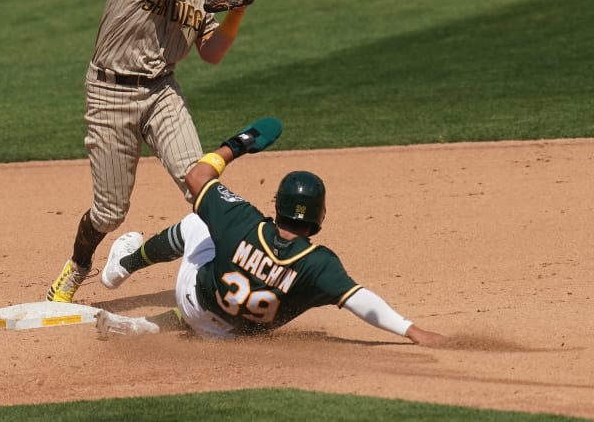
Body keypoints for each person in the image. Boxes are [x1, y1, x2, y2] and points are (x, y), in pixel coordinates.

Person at [46, 0, 300, 302]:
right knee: (110, 213)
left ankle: (229, 282)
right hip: (111, 92)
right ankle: (77, 267)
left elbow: (212, 54)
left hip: (162, 91)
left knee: (202, 187)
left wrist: (237, 10)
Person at [94, 117, 445, 346]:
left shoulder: (241, 220)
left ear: (277, 205)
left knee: (198, 221)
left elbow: (197, 177)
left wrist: (240, 143)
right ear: (319, 216)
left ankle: (126, 264)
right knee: (244, 308)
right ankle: (148, 325)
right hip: (232, 336)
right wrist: (412, 330)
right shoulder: (317, 264)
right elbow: (360, 300)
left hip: (194, 302)